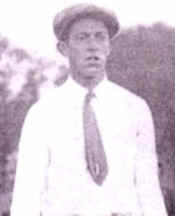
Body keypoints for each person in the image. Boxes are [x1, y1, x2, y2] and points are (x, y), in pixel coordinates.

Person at [10, 4, 168, 216]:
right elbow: (26, 198)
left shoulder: (134, 109)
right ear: (64, 48)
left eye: (100, 37)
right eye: (82, 37)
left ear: (109, 47)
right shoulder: (42, 114)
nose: (92, 46)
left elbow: (149, 191)